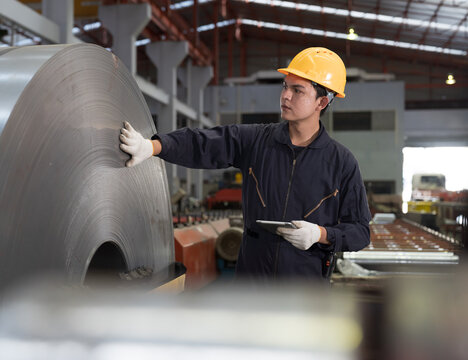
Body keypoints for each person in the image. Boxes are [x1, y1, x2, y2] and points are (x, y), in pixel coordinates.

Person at [120, 47, 371, 282]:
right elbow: (204, 142)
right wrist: (152, 147)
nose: (285, 95)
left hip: (304, 291)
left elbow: (360, 232)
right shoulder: (257, 142)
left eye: (298, 90)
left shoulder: (341, 163)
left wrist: (320, 235)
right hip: (252, 283)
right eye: (285, 87)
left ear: (322, 102)